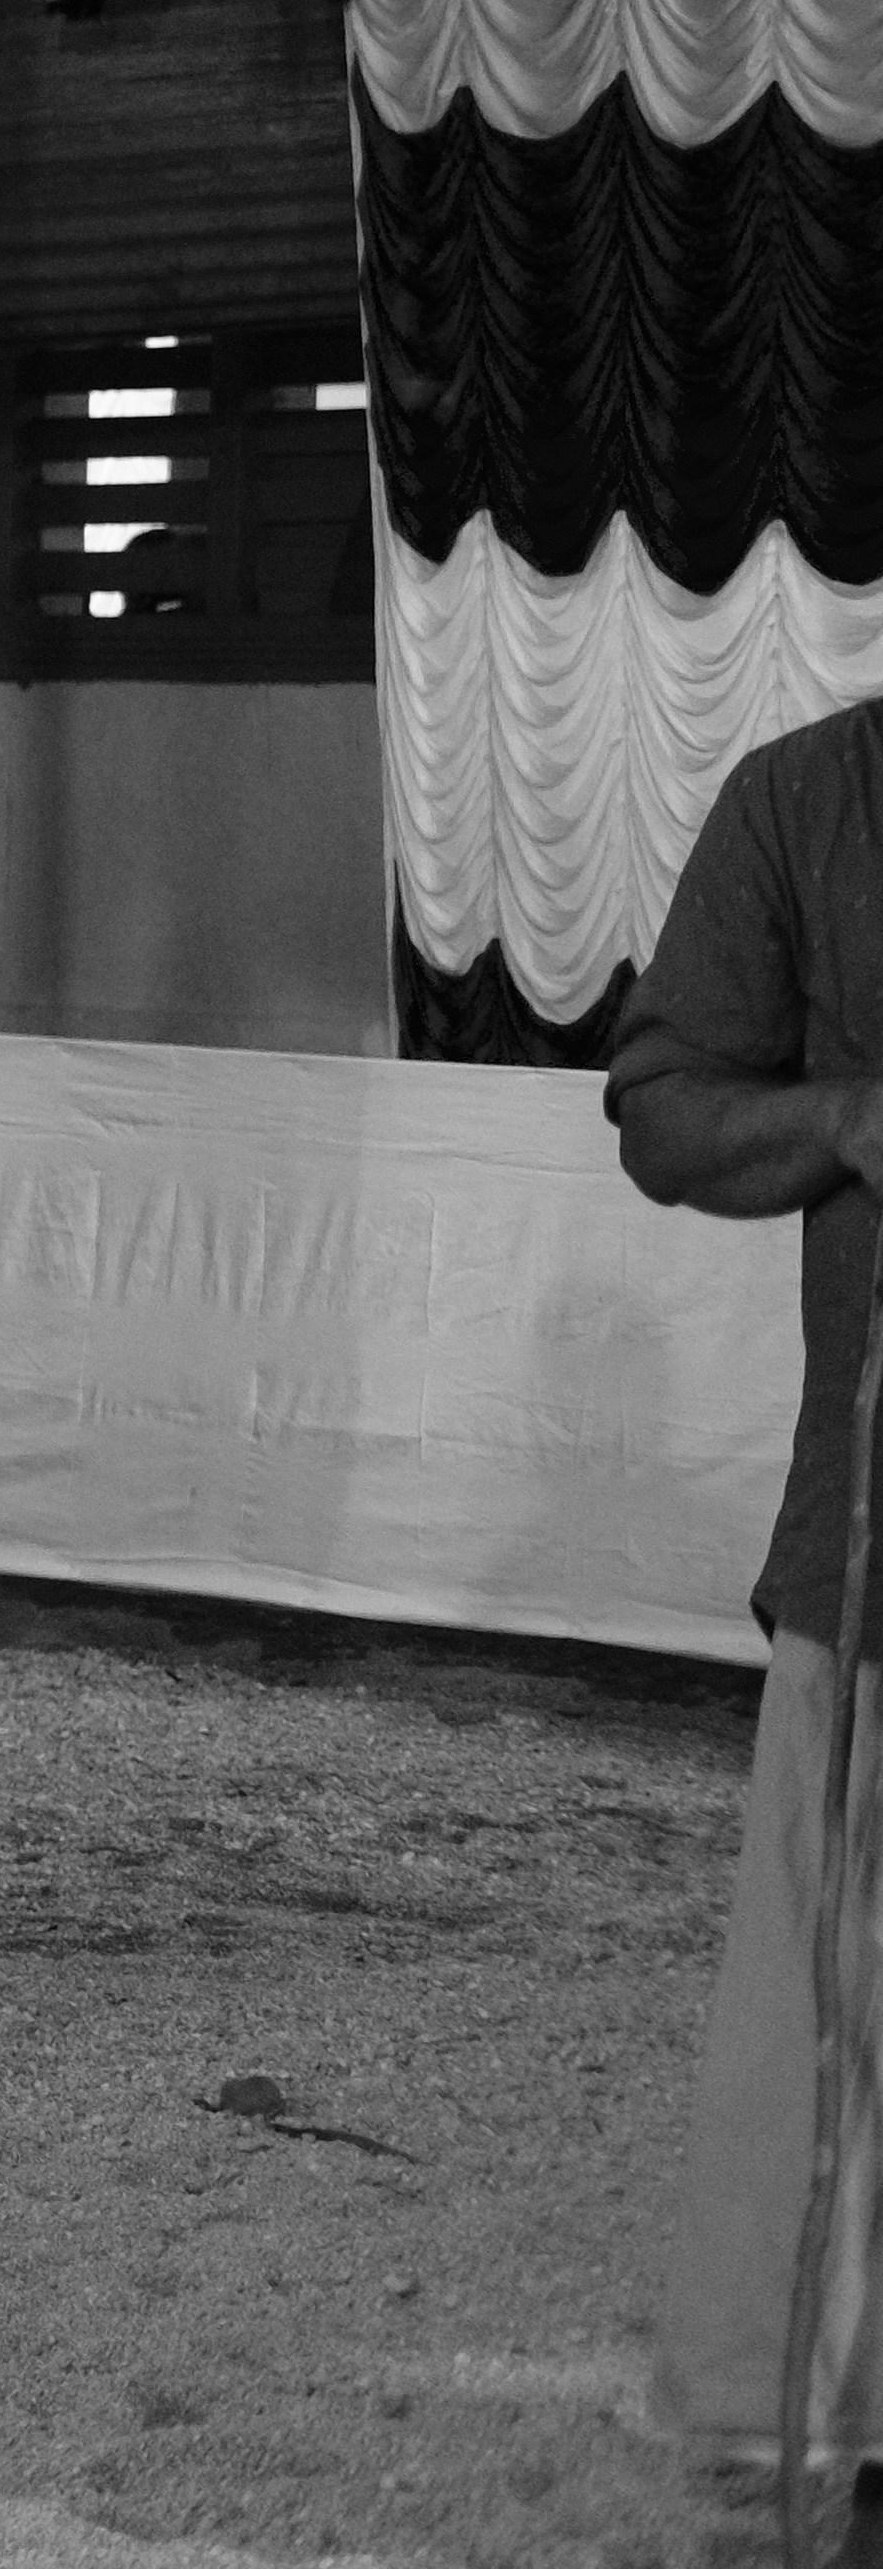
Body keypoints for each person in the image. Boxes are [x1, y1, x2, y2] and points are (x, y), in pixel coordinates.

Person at [610, 686, 883, 2482]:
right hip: (873, 1554)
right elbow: (664, 1105)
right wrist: (854, 1121)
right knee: (846, 2036)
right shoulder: (811, 799)